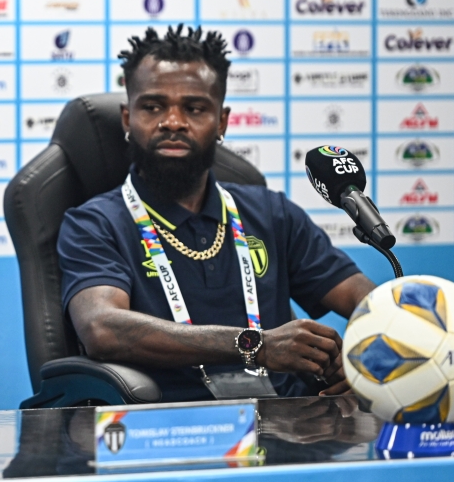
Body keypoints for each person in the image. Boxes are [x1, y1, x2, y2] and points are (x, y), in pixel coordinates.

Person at [57, 25, 376, 402]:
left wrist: (367, 358)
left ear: (221, 122)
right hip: (165, 429)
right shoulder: (94, 223)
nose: (173, 122)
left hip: (286, 428)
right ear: (127, 119)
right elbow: (102, 328)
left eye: (194, 109)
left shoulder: (272, 213)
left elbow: (366, 299)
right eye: (153, 107)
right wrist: (255, 345)